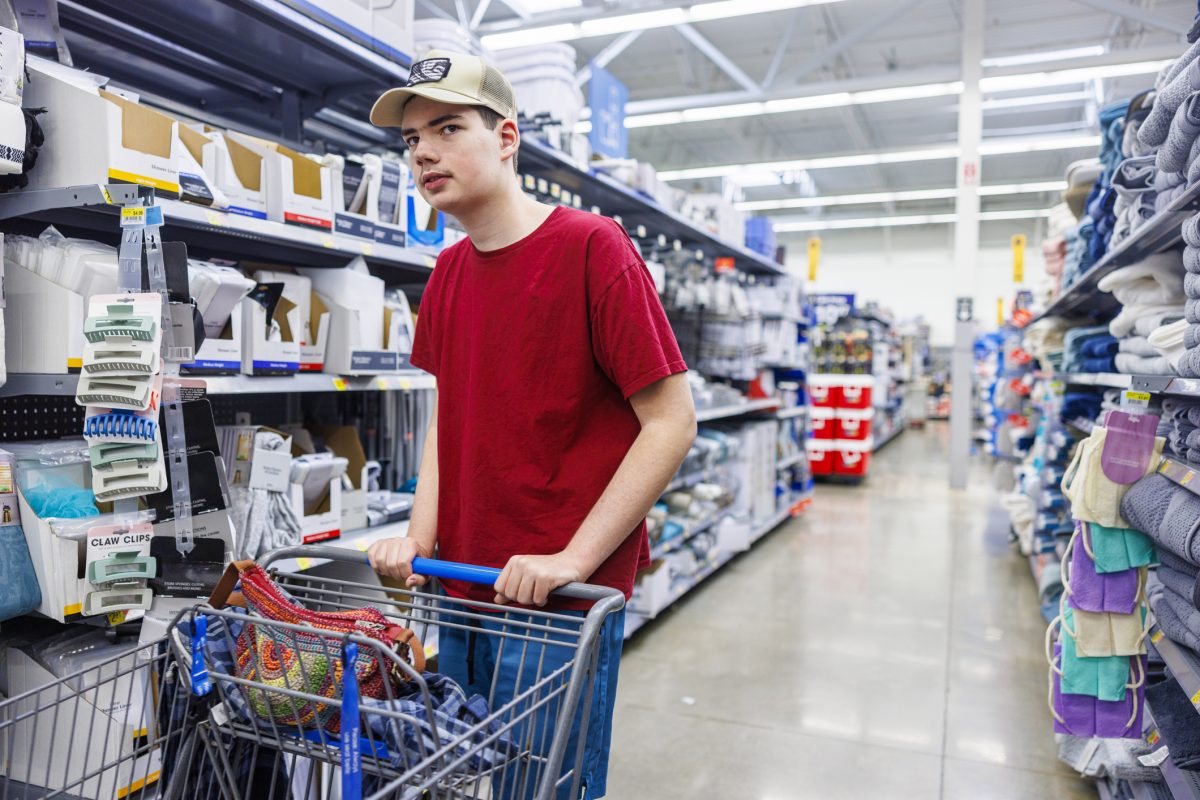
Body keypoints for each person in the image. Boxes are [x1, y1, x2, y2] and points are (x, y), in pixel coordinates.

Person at [365, 50, 696, 798]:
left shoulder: (592, 248)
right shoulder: (447, 274)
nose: (423, 152)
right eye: (411, 138)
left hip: (555, 604)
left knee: (543, 787)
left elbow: (672, 422)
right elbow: (451, 417)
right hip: (464, 584)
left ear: (507, 138)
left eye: (447, 128)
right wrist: (420, 539)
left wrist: (573, 559)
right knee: (471, 779)